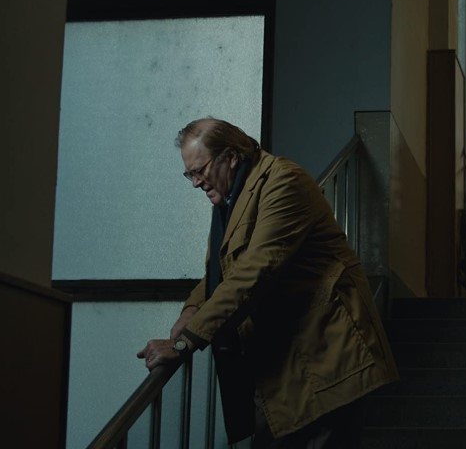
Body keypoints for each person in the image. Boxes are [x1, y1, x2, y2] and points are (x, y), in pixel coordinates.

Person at [137, 117, 398, 448]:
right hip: (289, 365)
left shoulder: (284, 181)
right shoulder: (231, 197)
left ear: (231, 157)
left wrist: (184, 342)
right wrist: (191, 310)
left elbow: (254, 271)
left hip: (328, 357)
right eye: (189, 174)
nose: (195, 183)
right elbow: (221, 271)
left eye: (199, 171)